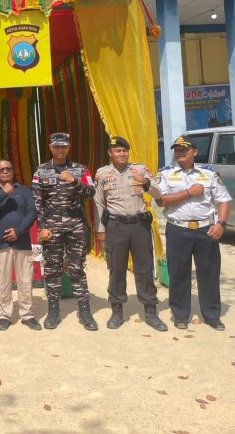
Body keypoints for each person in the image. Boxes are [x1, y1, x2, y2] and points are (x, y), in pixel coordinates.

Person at [153, 135, 231, 331]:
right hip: (178, 229)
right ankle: (180, 314)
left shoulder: (209, 174)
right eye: (177, 150)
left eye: (184, 149)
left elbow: (224, 200)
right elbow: (161, 201)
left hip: (206, 229)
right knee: (178, 273)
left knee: (209, 273)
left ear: (194, 152)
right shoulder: (166, 174)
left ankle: (212, 315)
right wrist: (189, 192)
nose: (180, 153)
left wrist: (221, 224)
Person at [93, 137, 168, 332]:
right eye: (117, 151)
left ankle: (150, 310)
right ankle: (117, 310)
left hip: (139, 227)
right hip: (115, 226)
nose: (121, 154)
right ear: (110, 153)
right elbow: (99, 203)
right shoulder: (102, 174)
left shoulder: (140, 170)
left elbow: (159, 193)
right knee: (116, 269)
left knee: (144, 268)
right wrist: (101, 229)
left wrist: (145, 182)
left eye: (124, 151)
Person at [32, 132, 97, 331]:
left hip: (76, 225)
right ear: (50, 148)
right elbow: (37, 202)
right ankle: (53, 311)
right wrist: (42, 228)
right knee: (52, 270)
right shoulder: (41, 171)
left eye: (64, 146)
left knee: (77, 269)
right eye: (57, 146)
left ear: (69, 147)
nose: (61, 150)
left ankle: (85, 312)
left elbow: (91, 192)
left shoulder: (80, 169)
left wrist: (74, 182)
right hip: (52, 226)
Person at [0, 159, 40, 331]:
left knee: (25, 281)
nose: (5, 172)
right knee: (3, 282)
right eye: (1, 170)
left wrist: (19, 231)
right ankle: (5, 315)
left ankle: (27, 314)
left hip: (21, 243)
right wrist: (4, 193)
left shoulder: (24, 191)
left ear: (13, 171)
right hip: (0, 245)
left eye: (8, 169)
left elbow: (32, 213)